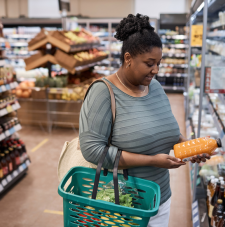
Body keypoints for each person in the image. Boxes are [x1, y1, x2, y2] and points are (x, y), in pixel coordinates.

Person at [79, 13, 209, 227]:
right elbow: (92, 150)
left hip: (159, 197)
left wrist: (187, 145)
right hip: (122, 203)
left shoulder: (155, 88)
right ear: (128, 58)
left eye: (158, 63)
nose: (156, 70)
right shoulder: (103, 92)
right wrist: (151, 160)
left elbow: (166, 131)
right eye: (150, 63)